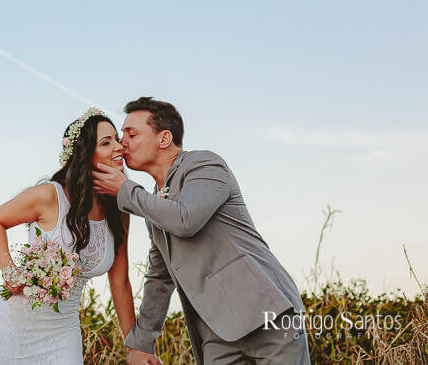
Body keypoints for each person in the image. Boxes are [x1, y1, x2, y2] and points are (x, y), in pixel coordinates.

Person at [93, 96, 310, 364]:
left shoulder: (204, 165)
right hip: (216, 335)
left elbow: (186, 219)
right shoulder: (152, 204)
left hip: (267, 317)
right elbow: (160, 279)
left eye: (131, 133)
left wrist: (125, 190)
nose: (122, 142)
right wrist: (141, 343)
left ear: (163, 139)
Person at [0, 108, 136, 363]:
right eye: (107, 142)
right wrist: (10, 272)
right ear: (85, 154)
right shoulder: (49, 195)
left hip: (64, 330)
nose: (119, 147)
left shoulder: (119, 212)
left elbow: (120, 282)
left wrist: (134, 346)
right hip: (13, 326)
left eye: (117, 139)